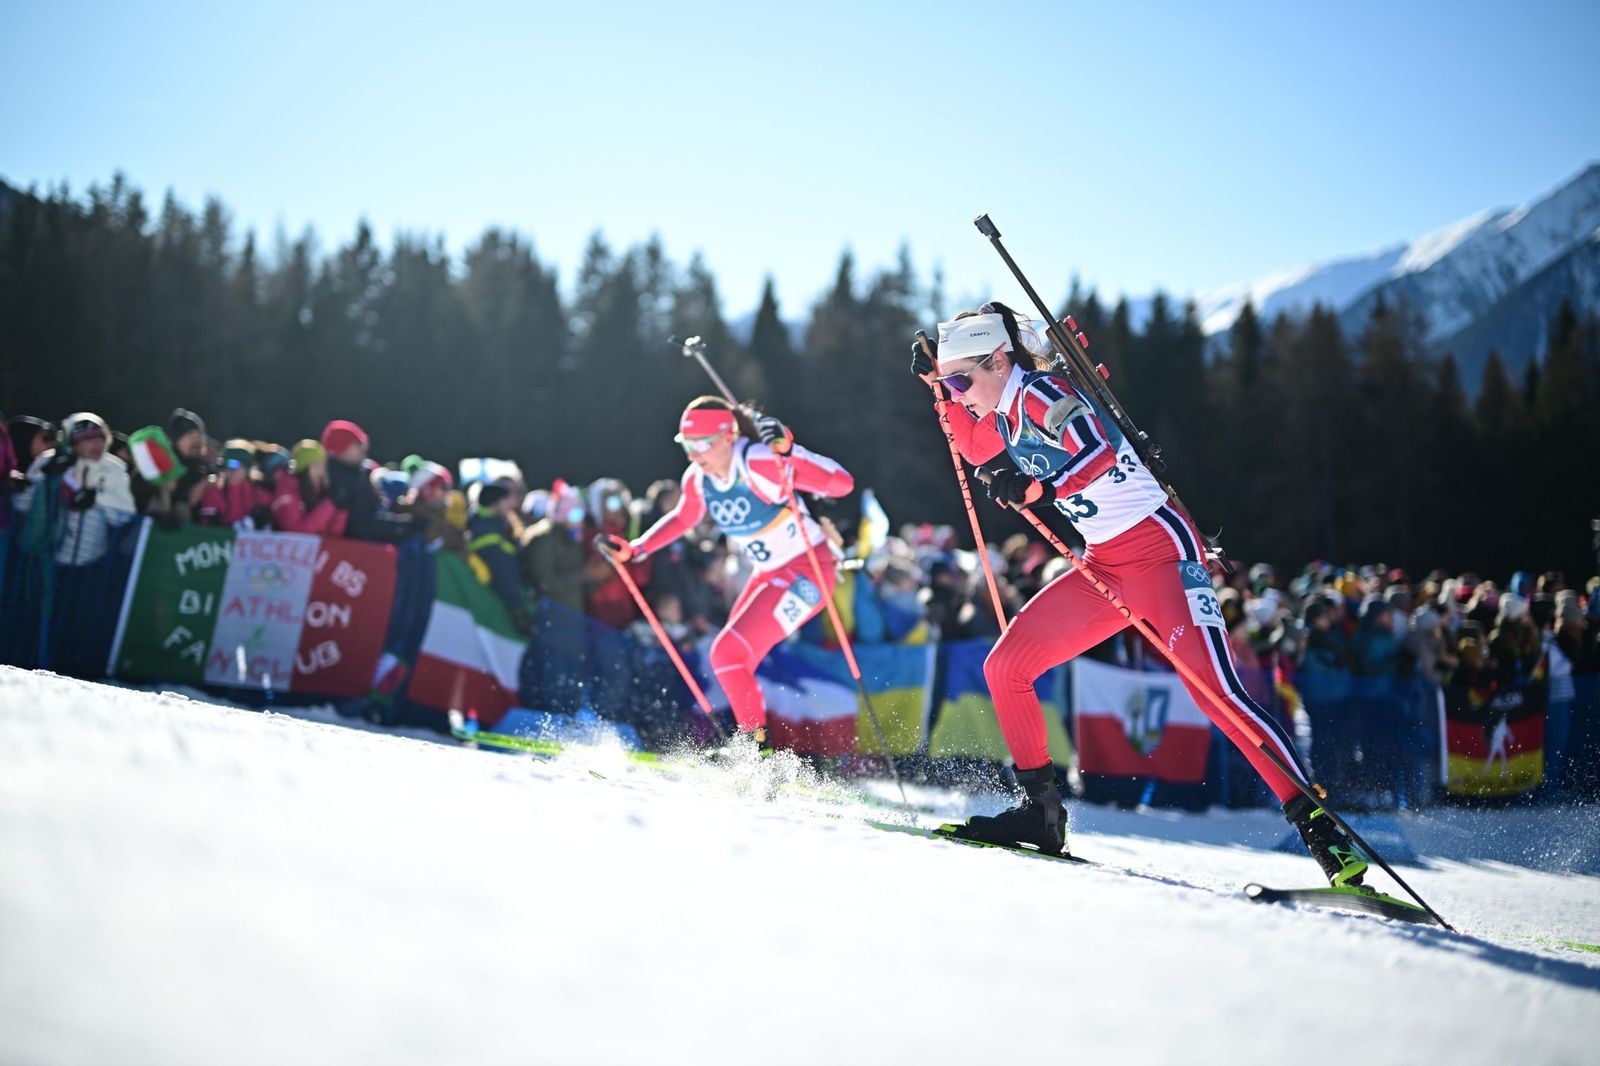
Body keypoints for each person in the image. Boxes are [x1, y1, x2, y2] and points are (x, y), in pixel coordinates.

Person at [909, 302, 1368, 887]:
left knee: (1216, 695)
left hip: (1163, 558)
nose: (959, 391)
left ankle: (1324, 830)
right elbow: (973, 447)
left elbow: (1096, 450)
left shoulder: (1042, 395)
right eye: (951, 381)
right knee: (1007, 666)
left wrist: (1036, 485)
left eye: (962, 379)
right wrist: (937, 386)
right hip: (1106, 565)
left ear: (1000, 361)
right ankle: (1043, 816)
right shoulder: (998, 408)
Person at [607, 397, 854, 744]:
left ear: (728, 436)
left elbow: (841, 483)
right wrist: (637, 548)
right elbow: (683, 517)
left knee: (727, 653)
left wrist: (789, 451)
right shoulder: (698, 478)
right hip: (769, 573)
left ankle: (755, 751)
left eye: (702, 445)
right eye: (687, 445)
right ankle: (756, 748)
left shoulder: (758, 462)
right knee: (732, 660)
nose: (694, 456)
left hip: (807, 572)